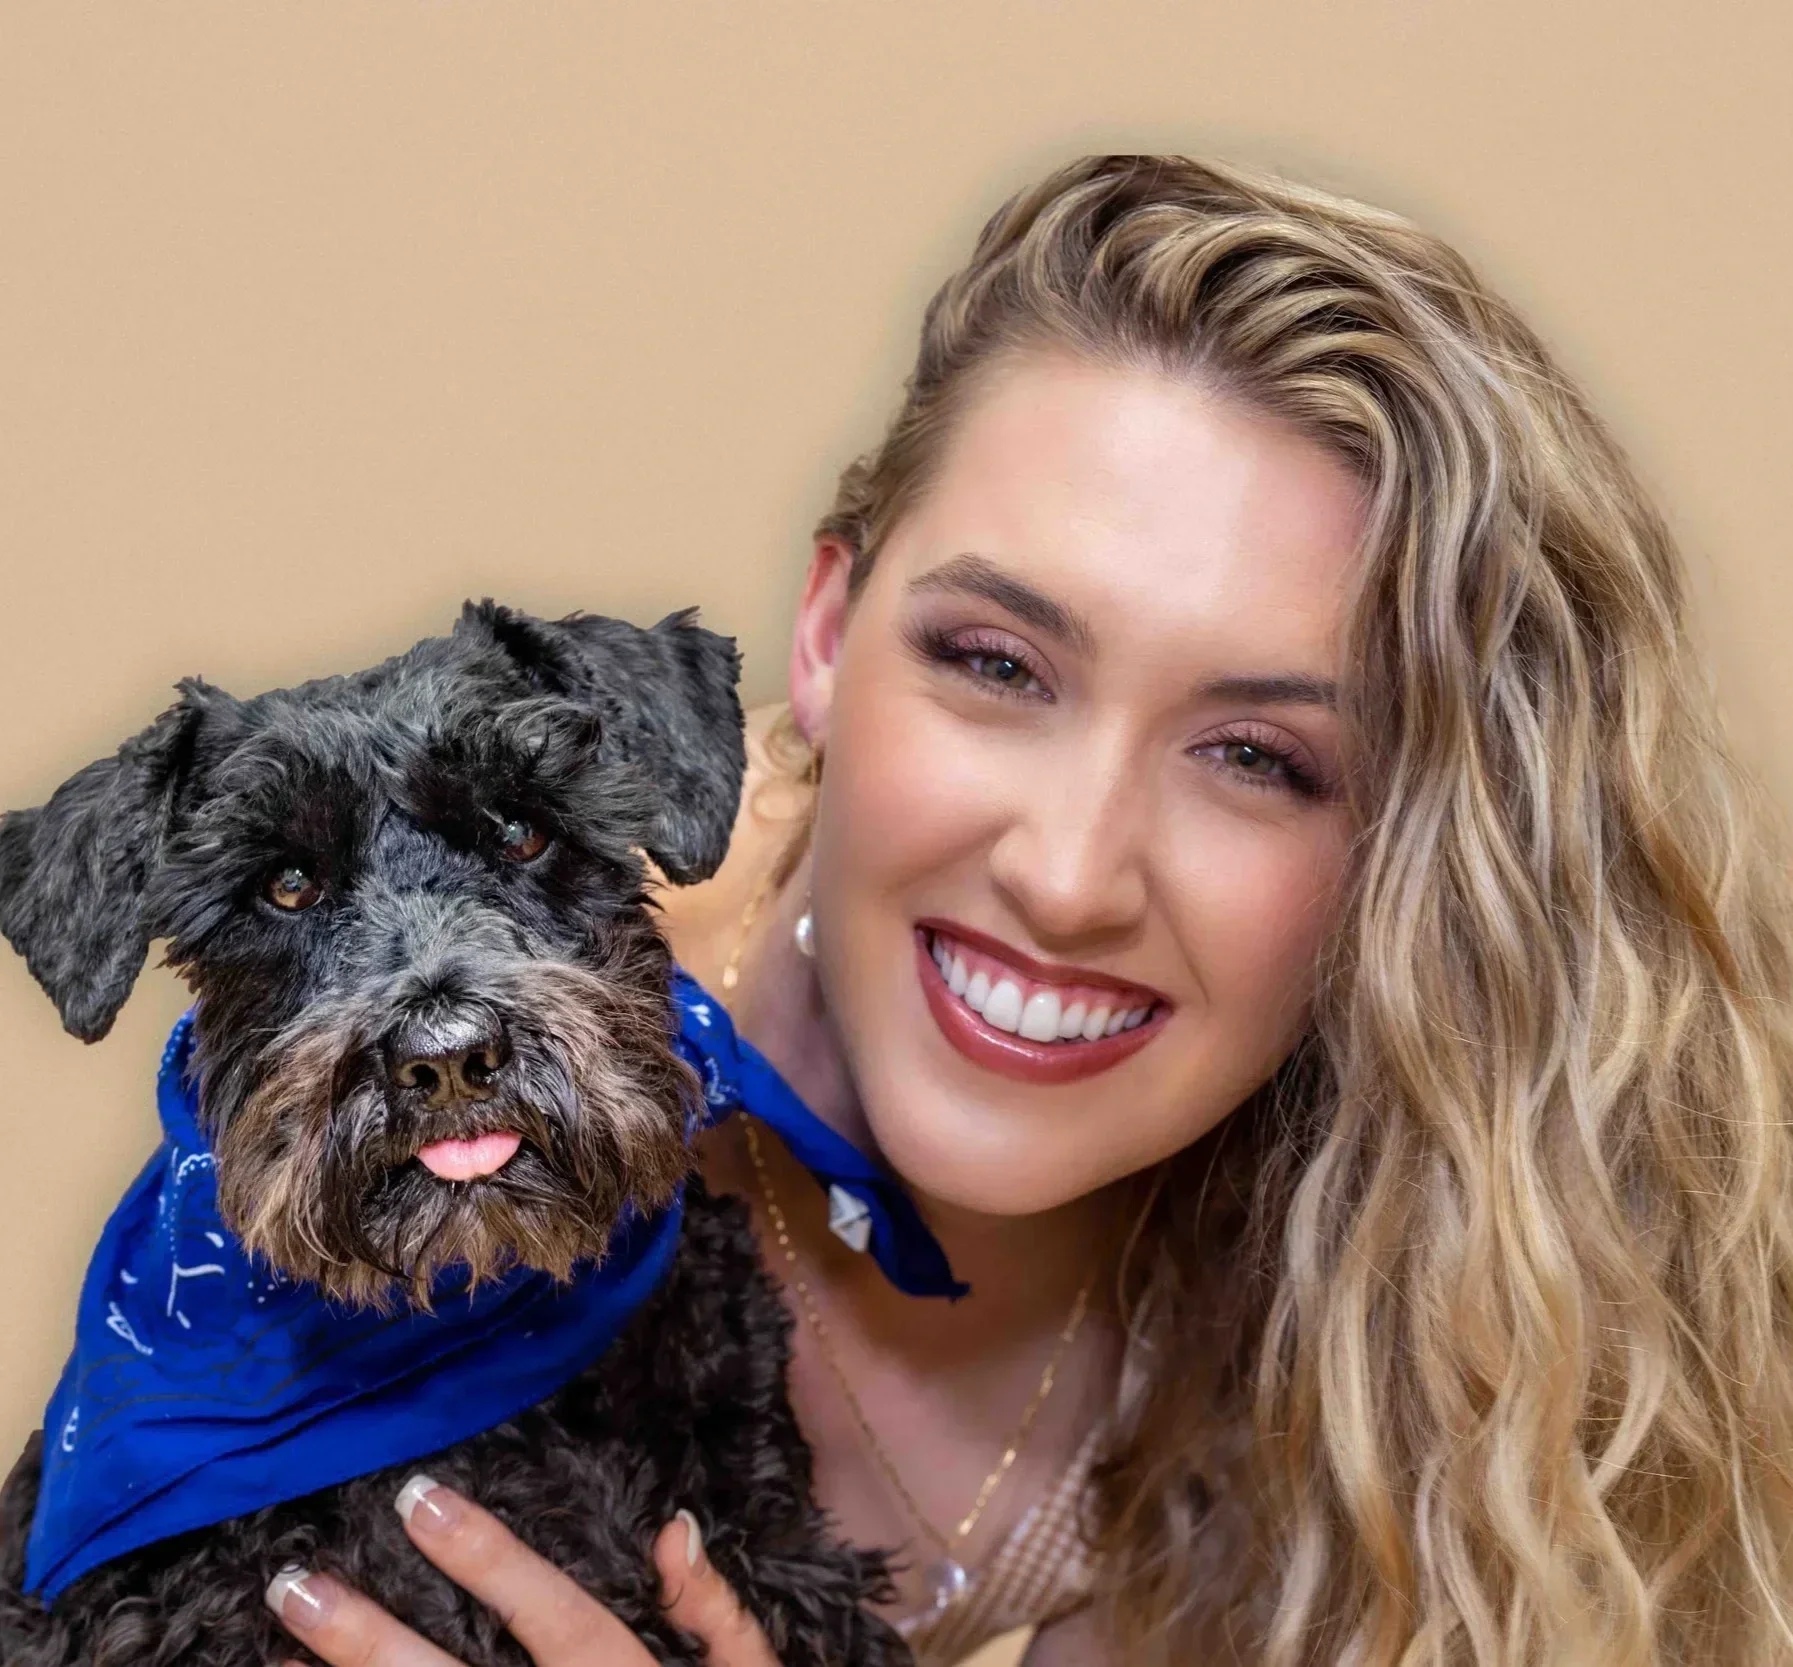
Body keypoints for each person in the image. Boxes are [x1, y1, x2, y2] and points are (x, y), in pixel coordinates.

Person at [265, 154, 1793, 1667]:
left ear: (1410, 853)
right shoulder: (448, 1034)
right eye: (998, 664)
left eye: (1258, 757)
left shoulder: (1357, 1337)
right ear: (827, 631)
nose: (1069, 877)